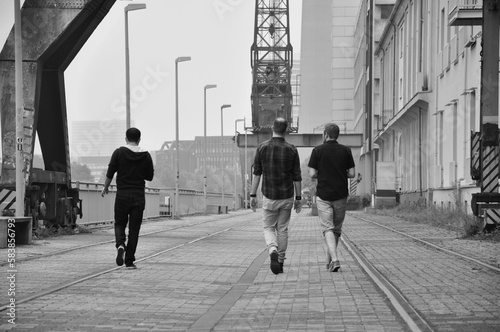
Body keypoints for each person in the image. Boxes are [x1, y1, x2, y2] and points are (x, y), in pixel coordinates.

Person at [250, 118, 302, 275]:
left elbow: (257, 174)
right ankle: (280, 262)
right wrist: (298, 198)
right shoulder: (292, 149)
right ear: (285, 130)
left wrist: (252, 195)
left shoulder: (262, 148)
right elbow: (297, 176)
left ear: (273, 128)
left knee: (268, 227)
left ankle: (272, 248)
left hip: (270, 196)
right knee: (283, 229)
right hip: (286, 196)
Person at [101, 127, 154, 269]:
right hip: (138, 196)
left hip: (122, 195)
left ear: (126, 139)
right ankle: (129, 261)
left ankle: (120, 245)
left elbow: (110, 172)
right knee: (134, 229)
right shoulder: (146, 155)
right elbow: (150, 176)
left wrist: (105, 187)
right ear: (139, 140)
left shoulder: (118, 153)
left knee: (119, 224)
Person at [308, 123, 355, 272]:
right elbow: (352, 173)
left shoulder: (317, 150)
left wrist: (323, 173)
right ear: (337, 135)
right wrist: (340, 173)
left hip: (324, 195)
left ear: (325, 135)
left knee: (327, 228)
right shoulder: (346, 151)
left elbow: (311, 174)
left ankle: (334, 259)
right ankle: (330, 261)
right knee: (336, 230)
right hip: (341, 195)